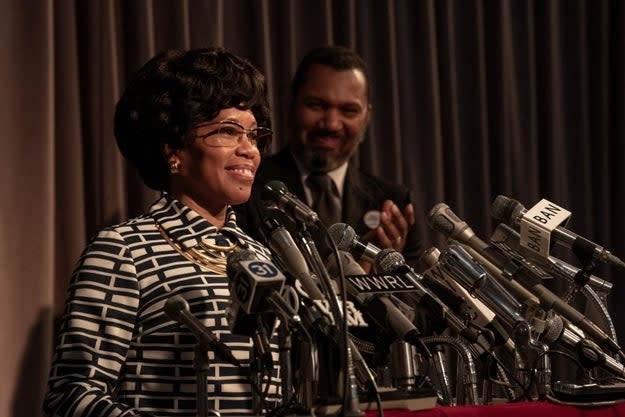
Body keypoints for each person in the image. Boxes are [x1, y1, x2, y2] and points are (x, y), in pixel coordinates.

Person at [43, 47, 282, 417]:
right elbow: (71, 396)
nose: (249, 150)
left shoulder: (261, 256)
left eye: (253, 134)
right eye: (227, 132)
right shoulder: (123, 251)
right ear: (174, 148)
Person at [236, 45, 420, 270]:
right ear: (291, 104)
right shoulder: (247, 187)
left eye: (349, 110)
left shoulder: (394, 205)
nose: (331, 124)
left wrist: (385, 275)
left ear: (367, 116)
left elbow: (413, 301)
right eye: (317, 105)